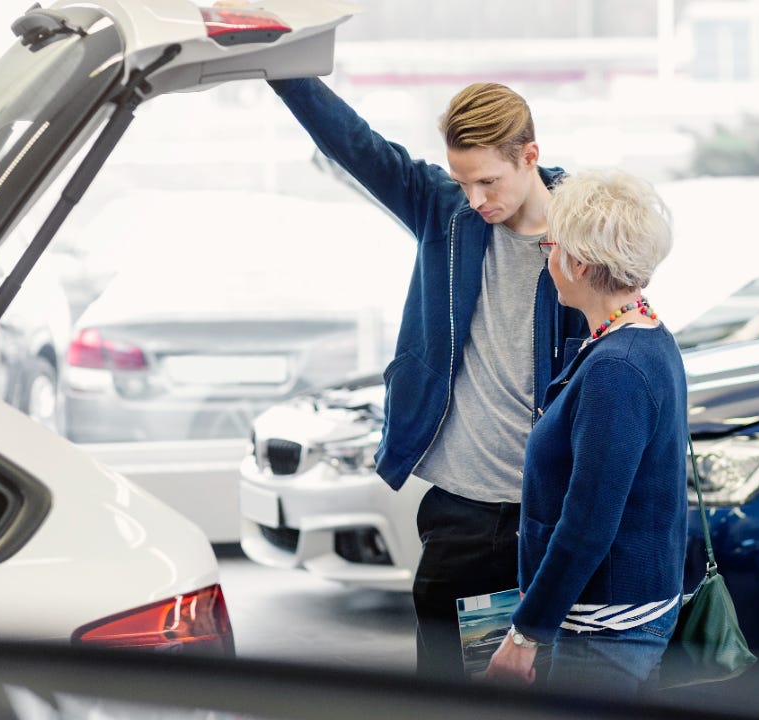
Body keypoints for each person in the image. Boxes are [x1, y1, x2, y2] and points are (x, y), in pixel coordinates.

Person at [264, 75, 587, 679]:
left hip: (547, 513)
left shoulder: (588, 231)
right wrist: (282, 67)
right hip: (459, 508)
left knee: (546, 686)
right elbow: (354, 144)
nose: (476, 198)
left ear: (530, 157)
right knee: (444, 689)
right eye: (463, 181)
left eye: (489, 181)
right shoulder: (447, 212)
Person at [483, 169, 688, 697]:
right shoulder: (645, 333)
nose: (547, 258)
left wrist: (526, 635)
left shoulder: (616, 369)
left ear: (575, 263)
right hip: (625, 613)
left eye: (551, 245)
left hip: (607, 629)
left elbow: (589, 523)